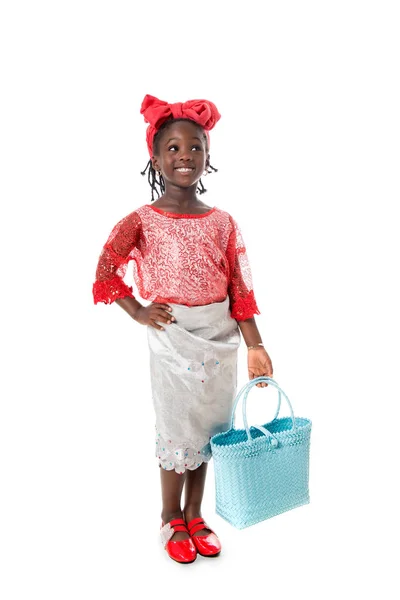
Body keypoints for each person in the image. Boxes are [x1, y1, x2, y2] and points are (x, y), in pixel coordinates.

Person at [92, 94, 273, 564]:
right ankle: (170, 515)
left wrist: (255, 344)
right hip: (173, 339)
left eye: (195, 148)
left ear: (208, 157)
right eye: (172, 148)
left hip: (220, 340)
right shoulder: (141, 220)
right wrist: (137, 311)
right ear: (154, 157)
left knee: (211, 428)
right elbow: (107, 270)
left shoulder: (223, 223)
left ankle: (196, 513)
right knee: (177, 427)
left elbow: (240, 288)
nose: (184, 157)